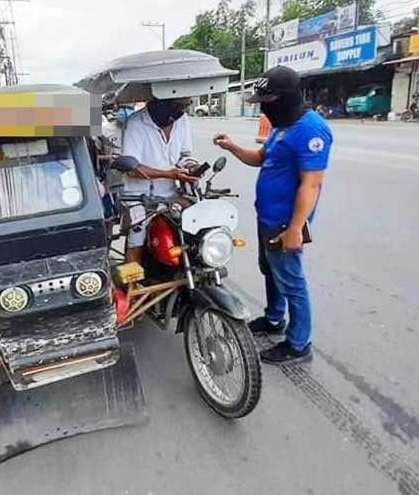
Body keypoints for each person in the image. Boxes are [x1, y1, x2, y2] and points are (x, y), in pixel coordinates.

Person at [213, 66, 333, 365]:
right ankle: (274, 319)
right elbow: (260, 159)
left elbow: (312, 182)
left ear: (286, 98)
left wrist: (295, 228)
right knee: (270, 271)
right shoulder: (281, 126)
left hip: (284, 222)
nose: (264, 107)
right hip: (266, 217)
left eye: (268, 100)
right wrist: (231, 147)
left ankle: (298, 344)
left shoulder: (311, 128)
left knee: (291, 280)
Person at [121, 97, 198, 263]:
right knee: (136, 239)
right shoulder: (136, 123)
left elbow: (185, 154)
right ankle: (131, 285)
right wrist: (170, 174)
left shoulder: (182, 119)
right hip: (139, 196)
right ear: (161, 102)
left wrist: (191, 166)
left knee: (197, 227)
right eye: (179, 105)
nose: (182, 110)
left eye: (186, 105)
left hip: (171, 194)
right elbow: (132, 170)